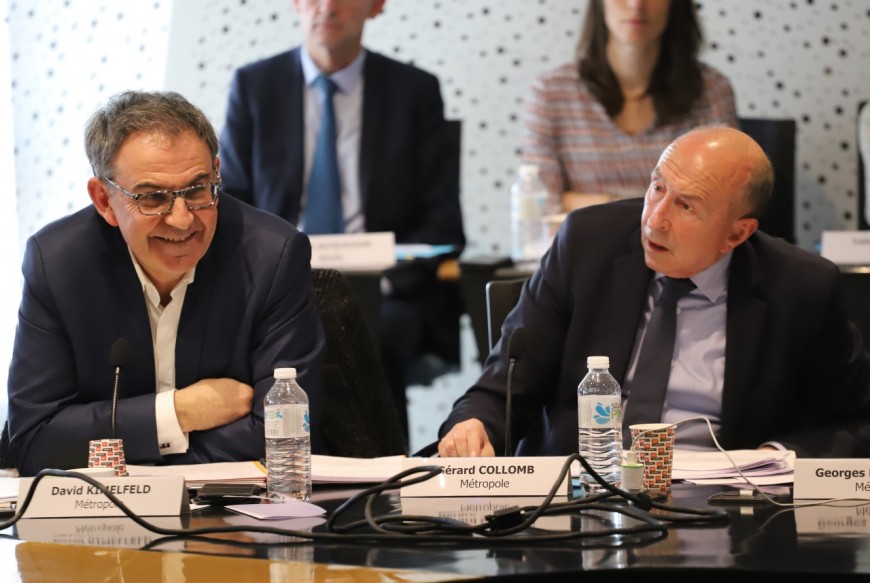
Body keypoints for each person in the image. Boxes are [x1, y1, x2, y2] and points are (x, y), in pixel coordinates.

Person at [437, 125, 870, 459]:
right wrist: (474, 427)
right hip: (579, 497)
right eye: (657, 187)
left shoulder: (801, 288)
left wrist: (776, 457)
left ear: (737, 233)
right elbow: (501, 392)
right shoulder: (587, 244)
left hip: (720, 509)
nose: (655, 219)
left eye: (686, 205)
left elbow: (857, 421)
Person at [6, 90, 326, 476]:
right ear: (104, 200)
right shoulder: (59, 264)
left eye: (197, 190)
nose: (182, 219)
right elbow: (35, 440)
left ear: (217, 174)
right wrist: (177, 413)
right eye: (153, 198)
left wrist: (130, 456)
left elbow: (282, 435)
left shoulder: (271, 256)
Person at [218, 0, 465, 445]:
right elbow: (231, 207)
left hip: (385, 288)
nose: (327, 7)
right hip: (279, 283)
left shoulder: (414, 90)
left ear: (376, 6)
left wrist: (386, 279)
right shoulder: (255, 86)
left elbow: (443, 220)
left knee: (368, 334)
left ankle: (387, 472)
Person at [522, 0, 738, 213]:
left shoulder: (711, 91)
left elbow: (723, 203)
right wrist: (658, 204)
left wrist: (581, 202)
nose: (637, 5)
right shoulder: (550, 93)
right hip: (584, 238)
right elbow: (539, 204)